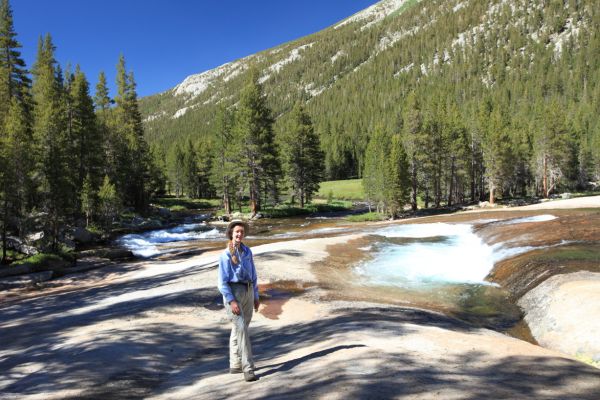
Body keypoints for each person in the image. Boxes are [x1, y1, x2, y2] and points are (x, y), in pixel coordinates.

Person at [217, 220, 260, 382]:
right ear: (231, 233)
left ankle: (234, 363)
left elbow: (254, 275)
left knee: (240, 328)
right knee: (241, 328)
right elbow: (222, 282)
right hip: (233, 293)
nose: (239, 234)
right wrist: (231, 300)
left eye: (241, 232)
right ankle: (248, 368)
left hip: (248, 290)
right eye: (237, 232)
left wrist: (256, 296)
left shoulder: (247, 251)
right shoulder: (225, 255)